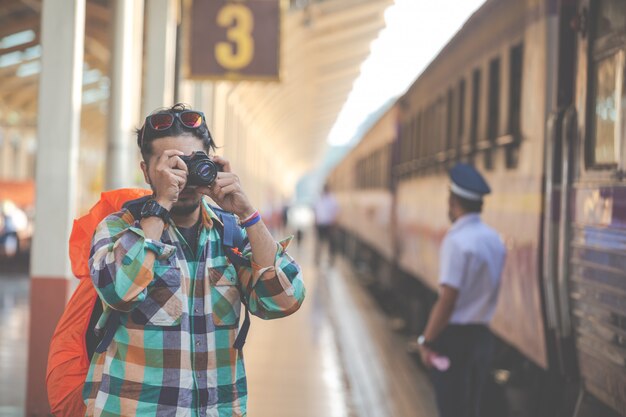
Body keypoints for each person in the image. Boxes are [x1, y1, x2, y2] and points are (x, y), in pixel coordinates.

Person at [83, 103, 306, 417]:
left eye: (192, 162)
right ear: (147, 171)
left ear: (212, 163)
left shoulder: (232, 234)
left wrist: (247, 213)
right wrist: (161, 203)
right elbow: (118, 289)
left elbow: (285, 300)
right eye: (170, 165)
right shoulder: (119, 228)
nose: (183, 177)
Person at [416, 163, 506, 417]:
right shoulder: (494, 240)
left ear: (454, 201)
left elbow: (448, 299)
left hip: (454, 340)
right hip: (483, 337)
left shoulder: (456, 241)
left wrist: (427, 341)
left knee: (452, 408)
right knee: (473, 408)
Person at [313, 184, 339, 265]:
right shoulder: (321, 199)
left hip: (328, 224)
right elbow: (316, 212)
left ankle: (330, 260)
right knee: (320, 243)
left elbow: (336, 211)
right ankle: (318, 259)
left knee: (330, 244)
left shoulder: (331, 199)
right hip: (321, 224)